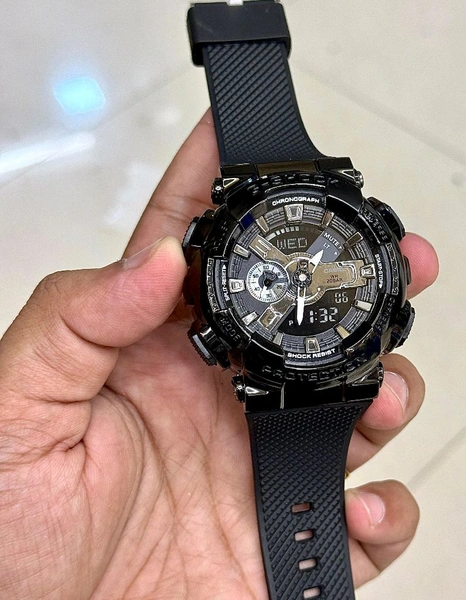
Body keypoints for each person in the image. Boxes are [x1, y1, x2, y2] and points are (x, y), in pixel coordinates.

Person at [0, 111, 439, 599]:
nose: (300, 279)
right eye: (288, 275)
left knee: (386, 401)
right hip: (278, 375)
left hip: (331, 368)